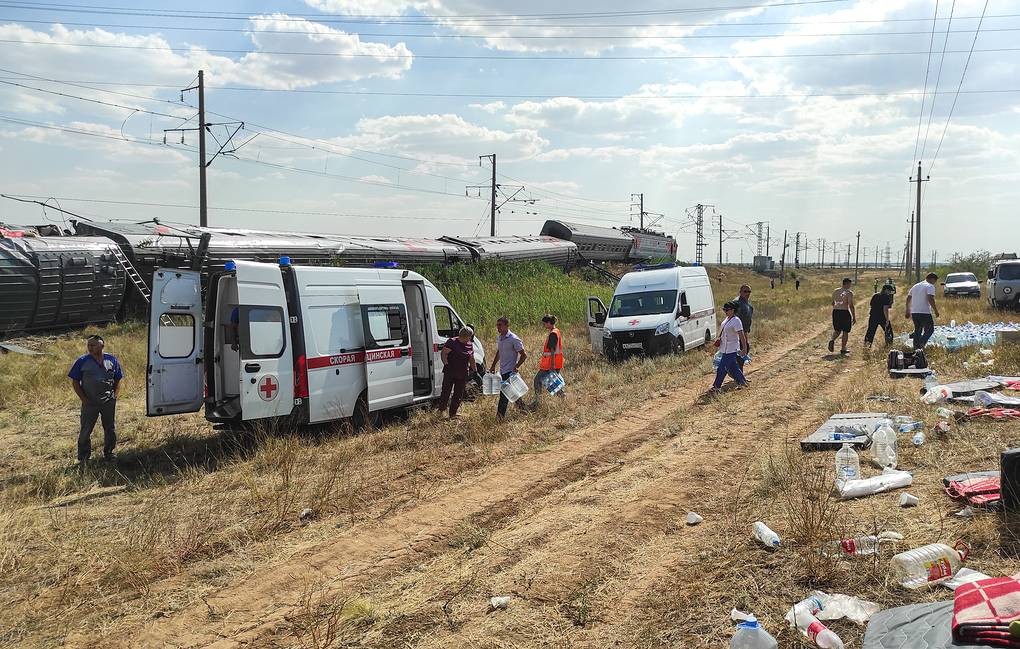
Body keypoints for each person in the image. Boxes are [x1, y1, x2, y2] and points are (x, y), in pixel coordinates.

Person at [68, 334, 123, 464]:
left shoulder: (112, 360)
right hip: (90, 402)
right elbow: (75, 382)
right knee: (86, 430)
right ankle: (84, 458)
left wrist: (115, 395)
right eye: (88, 345)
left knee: (110, 428)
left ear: (102, 345)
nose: (90, 347)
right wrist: (83, 399)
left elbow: (118, 378)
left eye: (93, 345)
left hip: (108, 401)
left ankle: (109, 453)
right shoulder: (82, 361)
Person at [489, 316, 528, 420]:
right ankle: (524, 410)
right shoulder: (500, 338)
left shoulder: (514, 339)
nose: (498, 327)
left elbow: (524, 355)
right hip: (502, 370)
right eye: (497, 325)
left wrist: (517, 366)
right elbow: (499, 352)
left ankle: (499, 419)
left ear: (507, 325)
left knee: (504, 396)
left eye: (500, 325)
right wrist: (493, 365)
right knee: (513, 393)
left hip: (510, 372)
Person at [435, 326, 475, 418]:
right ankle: (441, 410)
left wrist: (474, 370)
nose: (470, 338)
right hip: (450, 371)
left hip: (463, 372)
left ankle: (453, 413)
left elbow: (471, 358)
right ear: (465, 336)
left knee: (458, 394)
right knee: (446, 392)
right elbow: (444, 353)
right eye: (470, 336)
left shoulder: (470, 344)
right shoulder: (452, 342)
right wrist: (446, 364)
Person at [710, 302, 748, 391]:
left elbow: (741, 335)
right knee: (733, 367)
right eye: (724, 309)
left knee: (722, 368)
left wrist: (744, 348)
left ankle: (716, 386)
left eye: (727, 310)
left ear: (733, 310)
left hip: (732, 348)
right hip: (725, 348)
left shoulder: (736, 321)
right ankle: (742, 382)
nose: (725, 311)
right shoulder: (727, 319)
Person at [530, 314, 565, 409]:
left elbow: (552, 349)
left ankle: (538, 402)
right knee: (552, 382)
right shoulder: (556, 331)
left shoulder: (553, 333)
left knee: (537, 380)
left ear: (549, 323)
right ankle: (563, 398)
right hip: (554, 362)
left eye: (545, 323)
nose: (544, 325)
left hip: (550, 364)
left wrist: (552, 365)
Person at [906, 272, 940, 349]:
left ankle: (916, 347)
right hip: (924, 312)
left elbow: (908, 298)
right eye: (935, 281)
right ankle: (922, 343)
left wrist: (908, 310)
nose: (935, 283)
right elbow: (930, 298)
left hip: (915, 312)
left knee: (918, 330)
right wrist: (935, 310)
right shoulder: (930, 286)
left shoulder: (915, 286)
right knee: (930, 330)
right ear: (932, 279)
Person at [827, 278, 856, 355]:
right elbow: (851, 305)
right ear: (846, 284)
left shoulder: (835, 291)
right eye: (849, 284)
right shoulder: (849, 293)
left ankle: (832, 340)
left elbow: (833, 302)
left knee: (837, 330)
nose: (850, 286)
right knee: (845, 331)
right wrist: (854, 316)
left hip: (836, 311)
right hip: (844, 312)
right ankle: (843, 348)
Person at [733, 285, 753, 369]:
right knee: (739, 354)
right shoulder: (737, 303)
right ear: (740, 292)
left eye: (749, 291)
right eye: (745, 291)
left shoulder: (749, 306)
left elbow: (747, 320)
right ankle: (738, 376)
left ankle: (739, 375)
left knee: (744, 352)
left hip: (744, 333)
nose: (747, 293)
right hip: (737, 334)